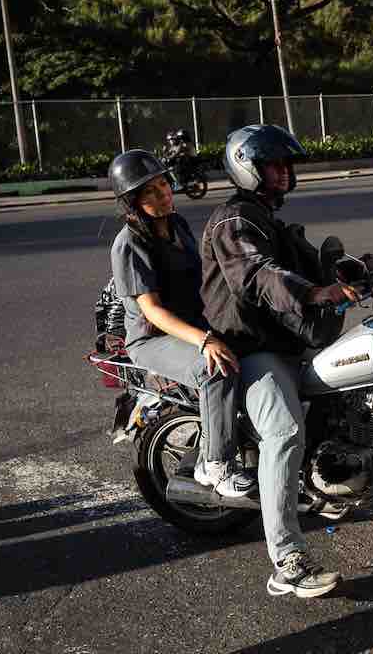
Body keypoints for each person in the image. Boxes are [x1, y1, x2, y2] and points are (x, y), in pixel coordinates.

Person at [200, 124, 361, 599]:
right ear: (248, 168)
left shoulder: (270, 219)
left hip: (287, 337)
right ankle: (286, 561)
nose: (283, 173)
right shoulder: (234, 222)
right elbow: (257, 276)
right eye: (273, 165)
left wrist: (364, 270)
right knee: (284, 430)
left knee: (351, 380)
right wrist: (312, 292)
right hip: (250, 345)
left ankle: (327, 484)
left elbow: (309, 262)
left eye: (286, 165)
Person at [107, 150, 254, 499]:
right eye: (150, 192)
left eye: (163, 185)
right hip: (153, 338)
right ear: (132, 201)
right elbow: (153, 311)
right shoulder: (129, 244)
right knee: (216, 368)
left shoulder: (178, 224)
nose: (162, 195)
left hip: (192, 323)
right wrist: (205, 340)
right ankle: (215, 464)